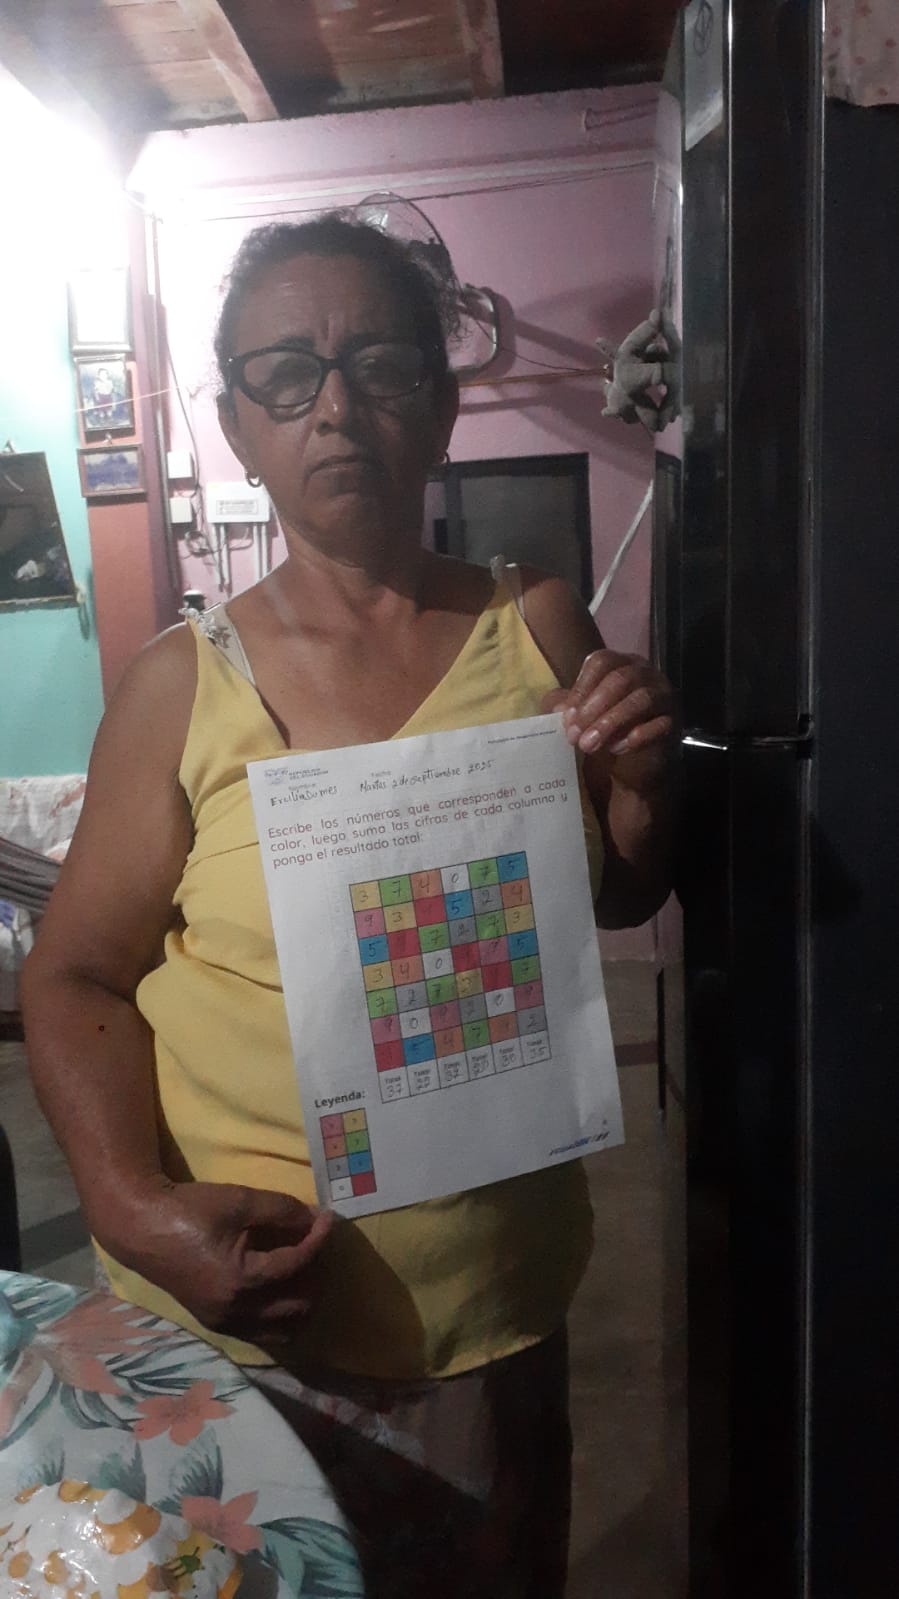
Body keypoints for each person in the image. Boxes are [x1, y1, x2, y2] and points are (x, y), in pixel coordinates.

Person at [22, 215, 676, 1597]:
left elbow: (612, 902)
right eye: (286, 374)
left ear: (440, 407)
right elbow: (74, 977)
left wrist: (635, 790)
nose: (335, 406)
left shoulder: (539, 626)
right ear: (237, 427)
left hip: (495, 1304)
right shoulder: (180, 686)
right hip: (253, 1319)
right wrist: (132, 1210)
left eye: (381, 364)